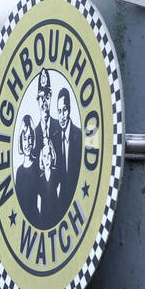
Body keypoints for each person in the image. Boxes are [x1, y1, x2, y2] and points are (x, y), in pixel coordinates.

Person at [32, 70, 62, 225]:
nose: (44, 102)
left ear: (51, 99)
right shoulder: (33, 136)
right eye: (41, 98)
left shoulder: (61, 128)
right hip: (43, 211)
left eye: (47, 97)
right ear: (37, 101)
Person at [53, 87, 83, 221]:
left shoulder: (81, 136)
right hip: (61, 209)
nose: (62, 116)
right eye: (59, 111)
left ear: (69, 109)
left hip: (81, 204)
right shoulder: (54, 139)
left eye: (64, 110)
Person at [13, 115, 41, 226]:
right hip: (20, 224)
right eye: (24, 138)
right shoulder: (19, 171)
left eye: (30, 138)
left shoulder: (38, 165)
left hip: (36, 223)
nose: (28, 142)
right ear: (20, 140)